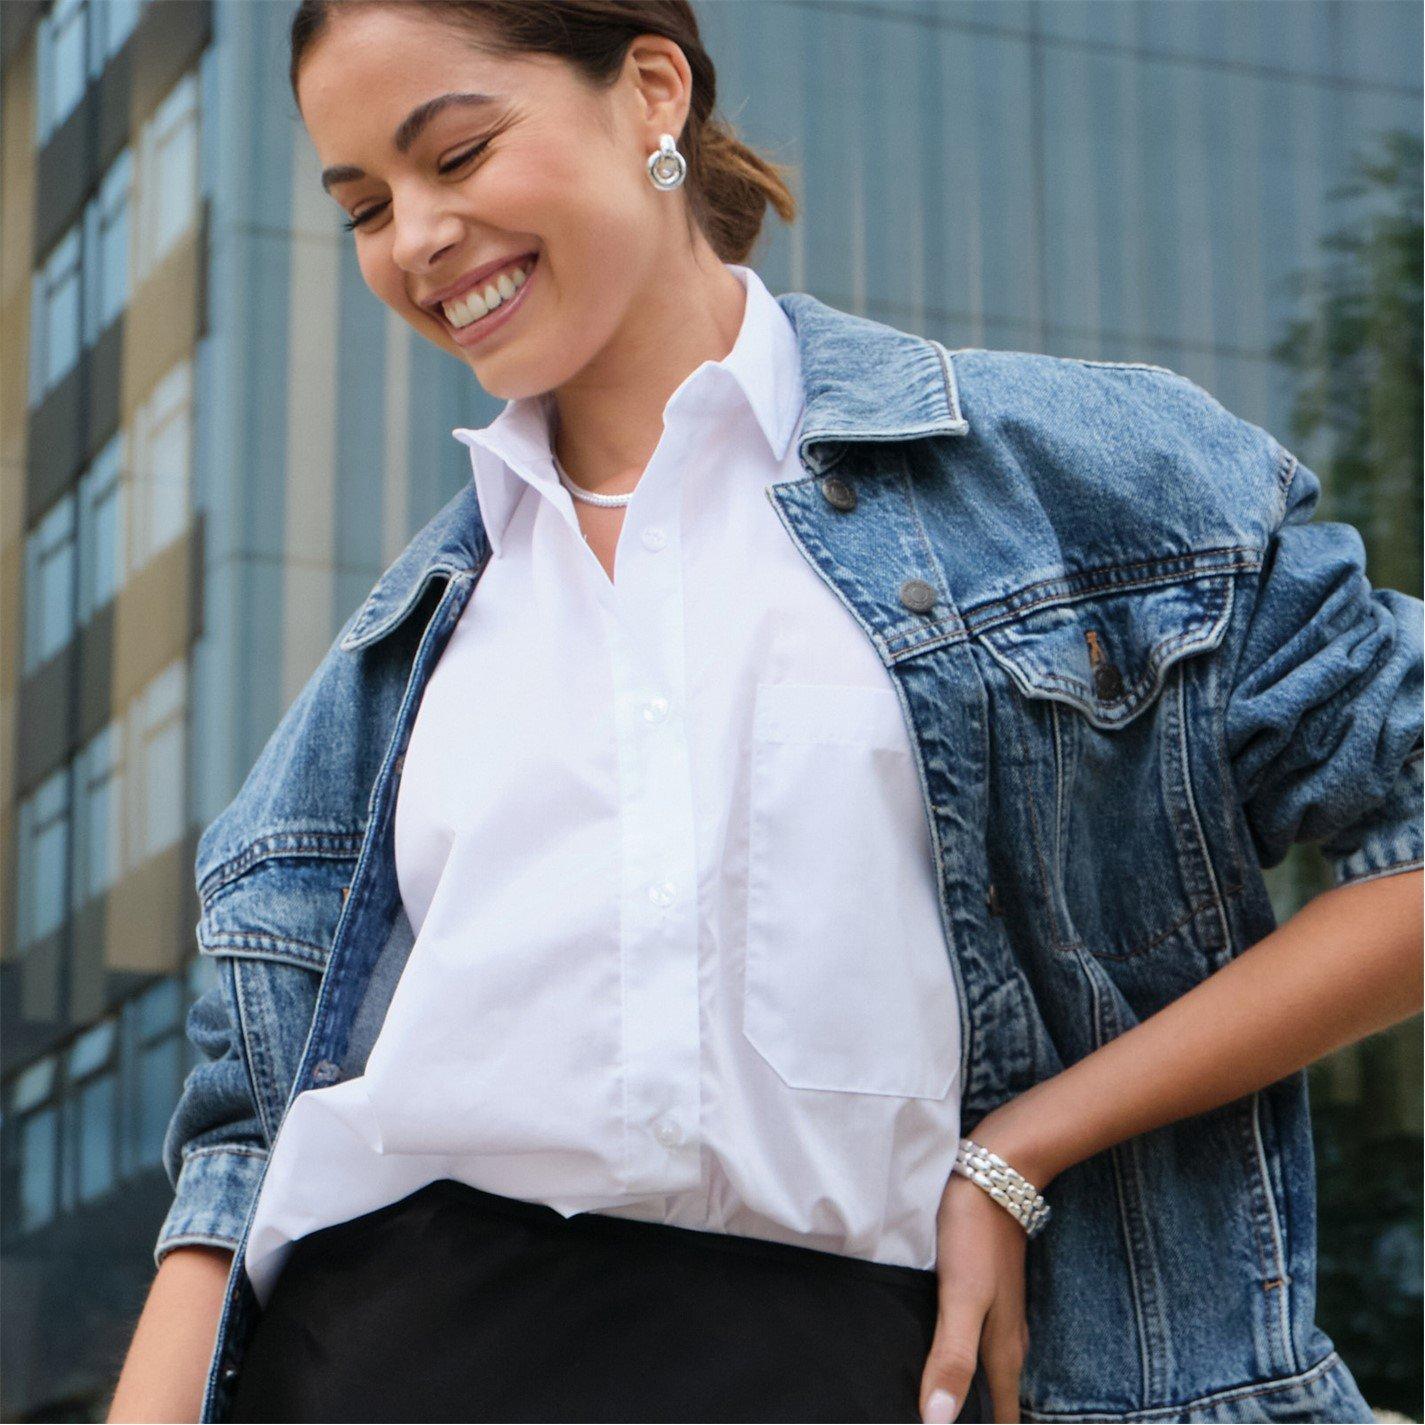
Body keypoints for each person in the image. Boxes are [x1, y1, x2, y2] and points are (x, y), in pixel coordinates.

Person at [106, 2, 1424, 1423]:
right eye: (364, 205)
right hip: (392, 1361)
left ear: (651, 91)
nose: (415, 237)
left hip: (871, 1362)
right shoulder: (382, 681)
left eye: (460, 152)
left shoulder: (1077, 482)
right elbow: (234, 1172)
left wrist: (1024, 1144)